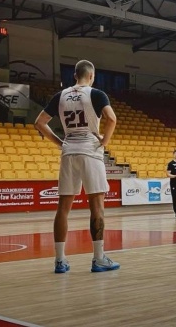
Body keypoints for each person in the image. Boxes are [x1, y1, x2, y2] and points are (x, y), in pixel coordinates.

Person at [35, 59, 120, 274]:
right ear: (91, 76)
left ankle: (60, 260)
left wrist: (59, 142)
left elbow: (39, 123)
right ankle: (99, 258)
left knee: (63, 208)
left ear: (75, 76)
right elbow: (112, 119)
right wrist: (104, 141)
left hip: (69, 151)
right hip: (90, 151)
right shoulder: (97, 94)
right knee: (97, 206)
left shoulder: (60, 95)